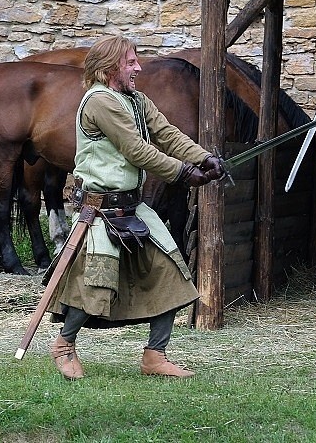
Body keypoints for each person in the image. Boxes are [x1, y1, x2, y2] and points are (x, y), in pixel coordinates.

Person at [45, 34, 223, 380]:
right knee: (95, 284)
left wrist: (204, 158)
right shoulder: (100, 101)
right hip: (99, 210)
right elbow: (136, 150)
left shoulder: (136, 100)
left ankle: (155, 355)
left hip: (132, 207)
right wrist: (183, 172)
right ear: (111, 67)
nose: (138, 67)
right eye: (131, 62)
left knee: (171, 275)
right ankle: (64, 346)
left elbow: (166, 134)